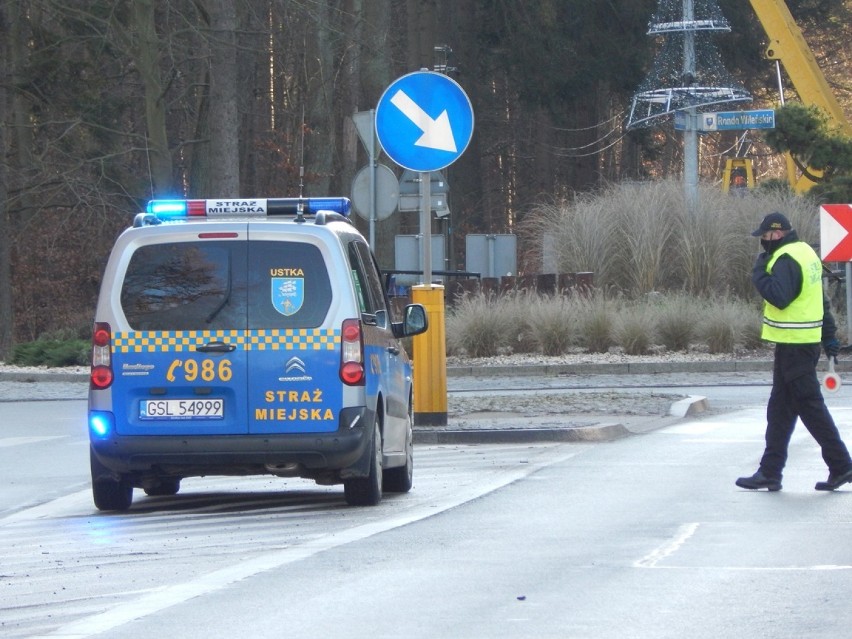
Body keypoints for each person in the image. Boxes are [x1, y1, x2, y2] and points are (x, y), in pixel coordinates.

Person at [736, 211, 852, 492]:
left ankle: (842, 465)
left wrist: (759, 270)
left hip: (795, 345)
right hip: (801, 344)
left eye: (765, 237)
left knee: (809, 407)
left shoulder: (785, 258)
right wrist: (829, 337)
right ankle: (770, 472)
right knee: (780, 410)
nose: (763, 242)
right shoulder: (806, 253)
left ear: (776, 234)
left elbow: (780, 296)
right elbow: (821, 301)